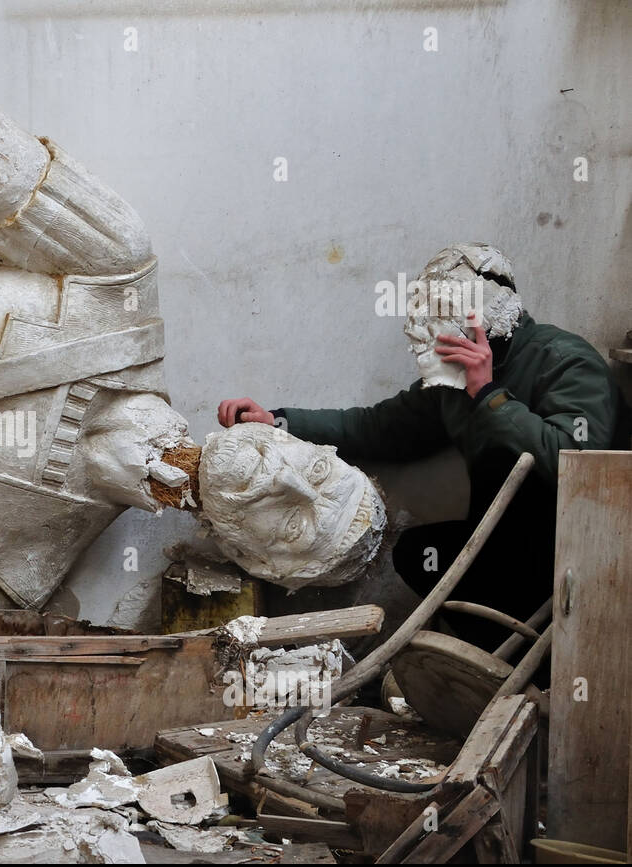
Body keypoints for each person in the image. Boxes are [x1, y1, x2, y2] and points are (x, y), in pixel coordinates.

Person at [217, 243, 630, 653]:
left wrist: (488, 393)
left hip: (583, 539)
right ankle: (506, 665)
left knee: (508, 539)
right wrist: (278, 420)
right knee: (421, 554)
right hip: (507, 535)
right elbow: (378, 426)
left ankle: (541, 669)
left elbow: (573, 464)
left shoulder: (565, 361)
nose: (429, 340)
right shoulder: (450, 379)